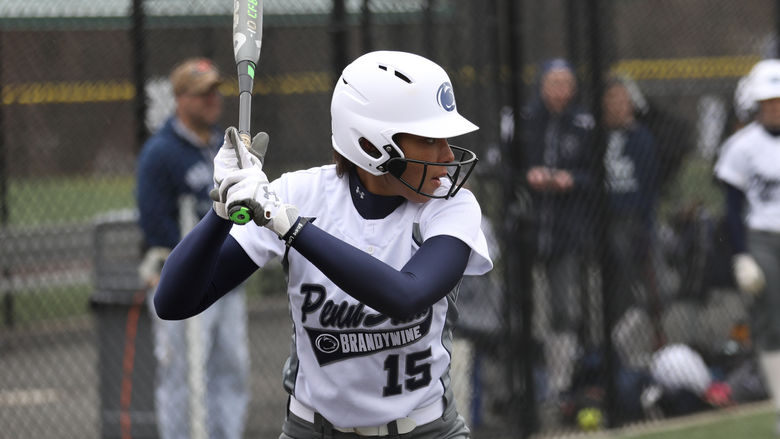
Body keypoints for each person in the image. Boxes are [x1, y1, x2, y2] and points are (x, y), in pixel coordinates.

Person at [153, 50, 493, 439]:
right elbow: (174, 302)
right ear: (371, 146)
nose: (447, 155)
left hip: (425, 429)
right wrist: (220, 210)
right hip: (311, 430)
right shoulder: (301, 193)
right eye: (430, 140)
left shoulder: (451, 205)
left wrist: (290, 226)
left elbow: (406, 295)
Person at [136, 57, 250, 439]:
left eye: (215, 92)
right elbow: (155, 222)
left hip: (226, 281)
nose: (212, 100)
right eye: (202, 94)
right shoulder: (161, 152)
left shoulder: (223, 143)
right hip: (183, 282)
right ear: (180, 99)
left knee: (231, 369)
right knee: (184, 375)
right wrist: (198, 260)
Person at [518, 58, 597, 395]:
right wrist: (527, 175)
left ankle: (560, 381)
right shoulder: (523, 119)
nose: (560, 91)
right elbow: (504, 165)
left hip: (566, 229)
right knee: (522, 304)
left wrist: (571, 180)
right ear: (542, 85)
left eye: (566, 84)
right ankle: (524, 378)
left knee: (563, 308)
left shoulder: (584, 124)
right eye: (554, 83)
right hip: (526, 227)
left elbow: (595, 174)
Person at [714, 58, 780, 436]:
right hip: (762, 238)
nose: (774, 107)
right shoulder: (742, 146)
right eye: (768, 101)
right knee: (771, 323)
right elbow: (732, 210)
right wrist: (741, 255)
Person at [601, 75, 662, 344]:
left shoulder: (642, 137)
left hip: (634, 217)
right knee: (617, 280)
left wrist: (647, 224)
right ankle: (614, 338)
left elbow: (650, 184)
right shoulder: (597, 135)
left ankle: (630, 335)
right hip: (607, 217)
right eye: (612, 100)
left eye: (623, 100)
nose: (618, 106)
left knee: (646, 281)